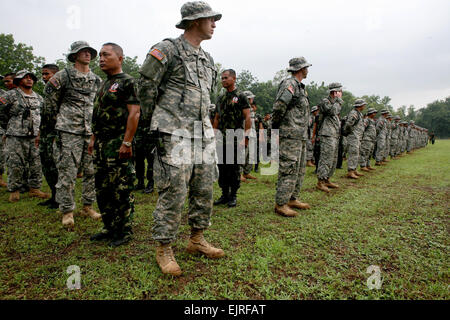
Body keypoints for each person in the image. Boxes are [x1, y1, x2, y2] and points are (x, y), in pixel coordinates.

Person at [137, 1, 225, 277]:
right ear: (195, 20)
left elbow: (208, 97)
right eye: (210, 19)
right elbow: (146, 88)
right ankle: (164, 247)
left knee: (204, 187)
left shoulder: (207, 58)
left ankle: (197, 238)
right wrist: (156, 123)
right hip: (174, 132)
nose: (214, 23)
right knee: (174, 190)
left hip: (202, 134)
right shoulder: (167, 50)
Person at [44, 41, 102, 229]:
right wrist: (59, 122)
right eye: (82, 52)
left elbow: (98, 104)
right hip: (69, 131)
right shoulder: (63, 76)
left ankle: (87, 206)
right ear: (74, 55)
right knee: (67, 172)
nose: (87, 54)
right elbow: (50, 102)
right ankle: (67, 210)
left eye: (89, 52)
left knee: (91, 171)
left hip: (89, 132)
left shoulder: (96, 80)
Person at [88, 43, 140, 247]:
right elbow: (97, 115)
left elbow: (134, 113)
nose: (100, 58)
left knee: (121, 187)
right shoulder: (102, 84)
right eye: (99, 55)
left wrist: (127, 142)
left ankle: (124, 230)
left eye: (105, 55)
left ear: (119, 58)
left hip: (118, 142)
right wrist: (93, 139)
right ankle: (108, 227)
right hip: (101, 144)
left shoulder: (128, 82)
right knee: (102, 187)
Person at [0, 70, 50, 202]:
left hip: (35, 136)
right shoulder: (10, 95)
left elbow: (44, 115)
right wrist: (8, 127)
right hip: (15, 135)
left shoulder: (39, 98)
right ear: (19, 80)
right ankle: (14, 190)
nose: (29, 80)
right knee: (15, 163)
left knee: (36, 163)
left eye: (31, 78)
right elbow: (1, 112)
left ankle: (34, 188)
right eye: (25, 78)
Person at [272, 57, 311, 217]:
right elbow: (280, 106)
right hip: (289, 134)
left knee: (299, 169)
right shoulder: (290, 84)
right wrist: (275, 128)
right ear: (301, 69)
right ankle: (281, 203)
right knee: (289, 168)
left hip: (300, 135)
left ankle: (292, 198)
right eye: (306, 67)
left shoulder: (301, 87)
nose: (308, 70)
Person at [213, 70, 251, 208]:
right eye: (222, 78)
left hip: (236, 137)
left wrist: (246, 136)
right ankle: (224, 194)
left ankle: (233, 195)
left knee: (234, 167)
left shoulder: (241, 96)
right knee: (222, 167)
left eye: (226, 78)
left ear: (234, 78)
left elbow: (247, 117)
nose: (223, 80)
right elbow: (216, 117)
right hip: (221, 138)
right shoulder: (220, 97)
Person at [38, 64, 60, 208]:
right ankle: (53, 196)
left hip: (56, 133)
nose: (44, 77)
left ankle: (60, 198)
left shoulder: (60, 92)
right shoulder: (47, 93)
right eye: (43, 74)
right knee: (46, 165)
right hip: (45, 132)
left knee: (55, 166)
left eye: (47, 74)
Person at [316, 82, 344, 193]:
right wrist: (338, 101)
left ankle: (327, 179)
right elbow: (333, 111)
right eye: (340, 91)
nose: (341, 93)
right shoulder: (325, 101)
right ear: (335, 92)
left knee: (333, 158)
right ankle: (320, 181)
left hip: (334, 134)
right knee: (326, 158)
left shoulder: (335, 102)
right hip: (327, 134)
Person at [343, 99, 366, 179]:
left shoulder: (359, 113)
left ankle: (354, 169)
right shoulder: (354, 113)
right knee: (353, 153)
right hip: (353, 136)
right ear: (360, 105)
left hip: (358, 137)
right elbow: (349, 124)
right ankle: (350, 171)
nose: (364, 106)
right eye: (363, 104)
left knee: (357, 153)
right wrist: (351, 133)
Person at [242, 90, 262, 178]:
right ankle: (239, 173)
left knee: (251, 154)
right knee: (243, 154)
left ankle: (246, 172)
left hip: (252, 133)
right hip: (245, 133)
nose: (252, 99)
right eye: (251, 98)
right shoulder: (243, 108)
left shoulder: (251, 109)